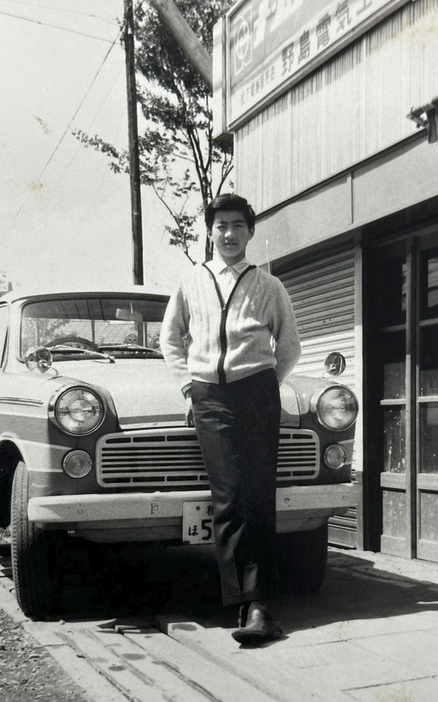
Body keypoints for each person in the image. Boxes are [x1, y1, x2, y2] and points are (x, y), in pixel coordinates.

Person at [160, 193, 301, 645]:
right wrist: (189, 386)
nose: (229, 234)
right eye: (221, 225)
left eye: (238, 225)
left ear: (250, 232)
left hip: (257, 393)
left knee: (258, 495)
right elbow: (171, 341)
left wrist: (265, 385)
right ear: (209, 231)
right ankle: (242, 600)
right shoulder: (190, 282)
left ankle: (258, 607)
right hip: (210, 397)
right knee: (229, 495)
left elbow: (290, 347)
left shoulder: (269, 285)